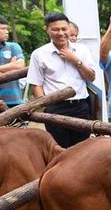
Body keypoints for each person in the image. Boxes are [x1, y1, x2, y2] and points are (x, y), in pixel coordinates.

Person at [26, 12, 97, 147]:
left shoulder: (81, 50)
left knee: (82, 150)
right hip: (55, 108)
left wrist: (75, 60)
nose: (61, 33)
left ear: (69, 28)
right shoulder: (39, 54)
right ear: (46, 29)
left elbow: (91, 77)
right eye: (55, 29)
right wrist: (46, 108)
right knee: (59, 150)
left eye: (64, 29)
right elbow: (36, 84)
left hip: (80, 107)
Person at [0, 15, 26, 108]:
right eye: (3, 29)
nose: (7, 32)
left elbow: (19, 65)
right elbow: (15, 67)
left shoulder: (13, 46)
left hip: (14, 100)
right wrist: (10, 67)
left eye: (7, 29)